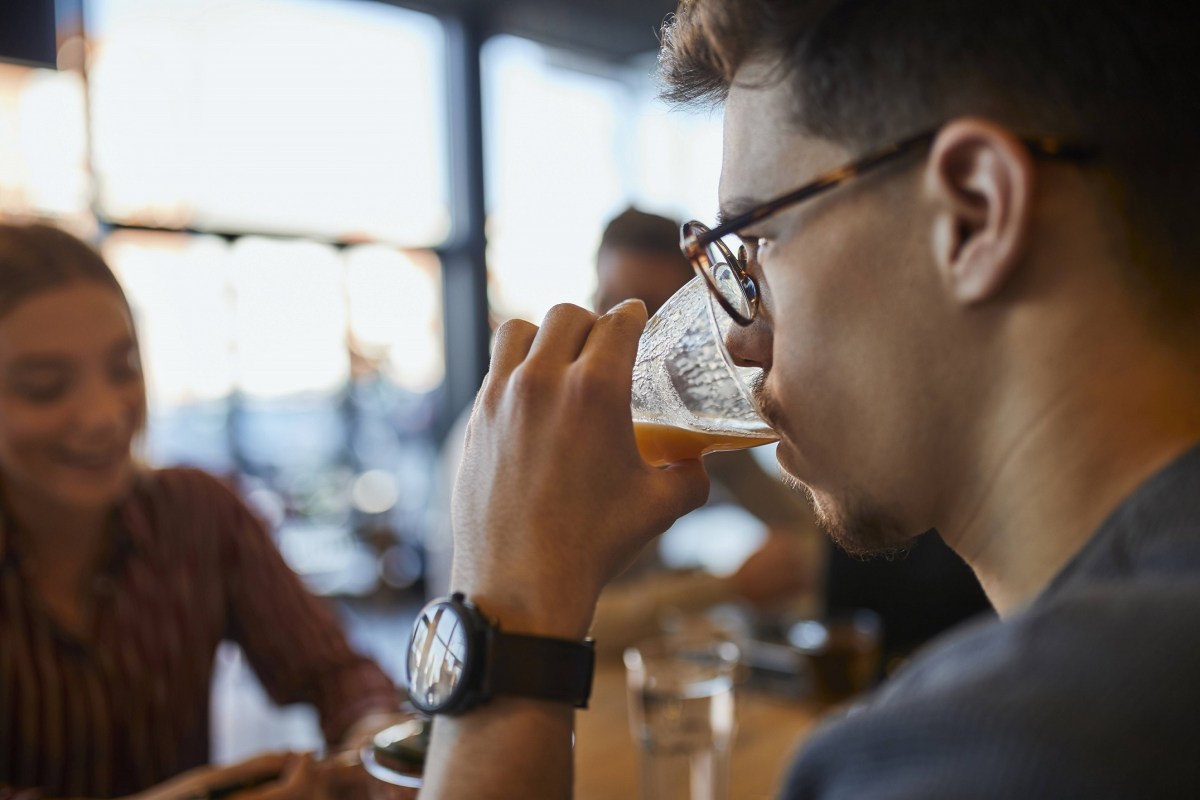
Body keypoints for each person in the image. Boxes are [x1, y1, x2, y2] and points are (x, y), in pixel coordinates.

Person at [417, 0, 1200, 797]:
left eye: (754, 245)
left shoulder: (996, 750)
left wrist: (504, 624)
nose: (732, 338)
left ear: (972, 214)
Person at [0, 222, 403, 799]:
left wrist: (372, 740)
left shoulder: (198, 513)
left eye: (124, 369)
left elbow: (333, 673)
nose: (103, 415)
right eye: (44, 387)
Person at [591, 207, 991, 662]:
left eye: (649, 309)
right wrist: (726, 587)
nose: (622, 333)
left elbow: (807, 532)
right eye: (608, 303)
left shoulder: (688, 430)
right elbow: (562, 619)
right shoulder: (559, 439)